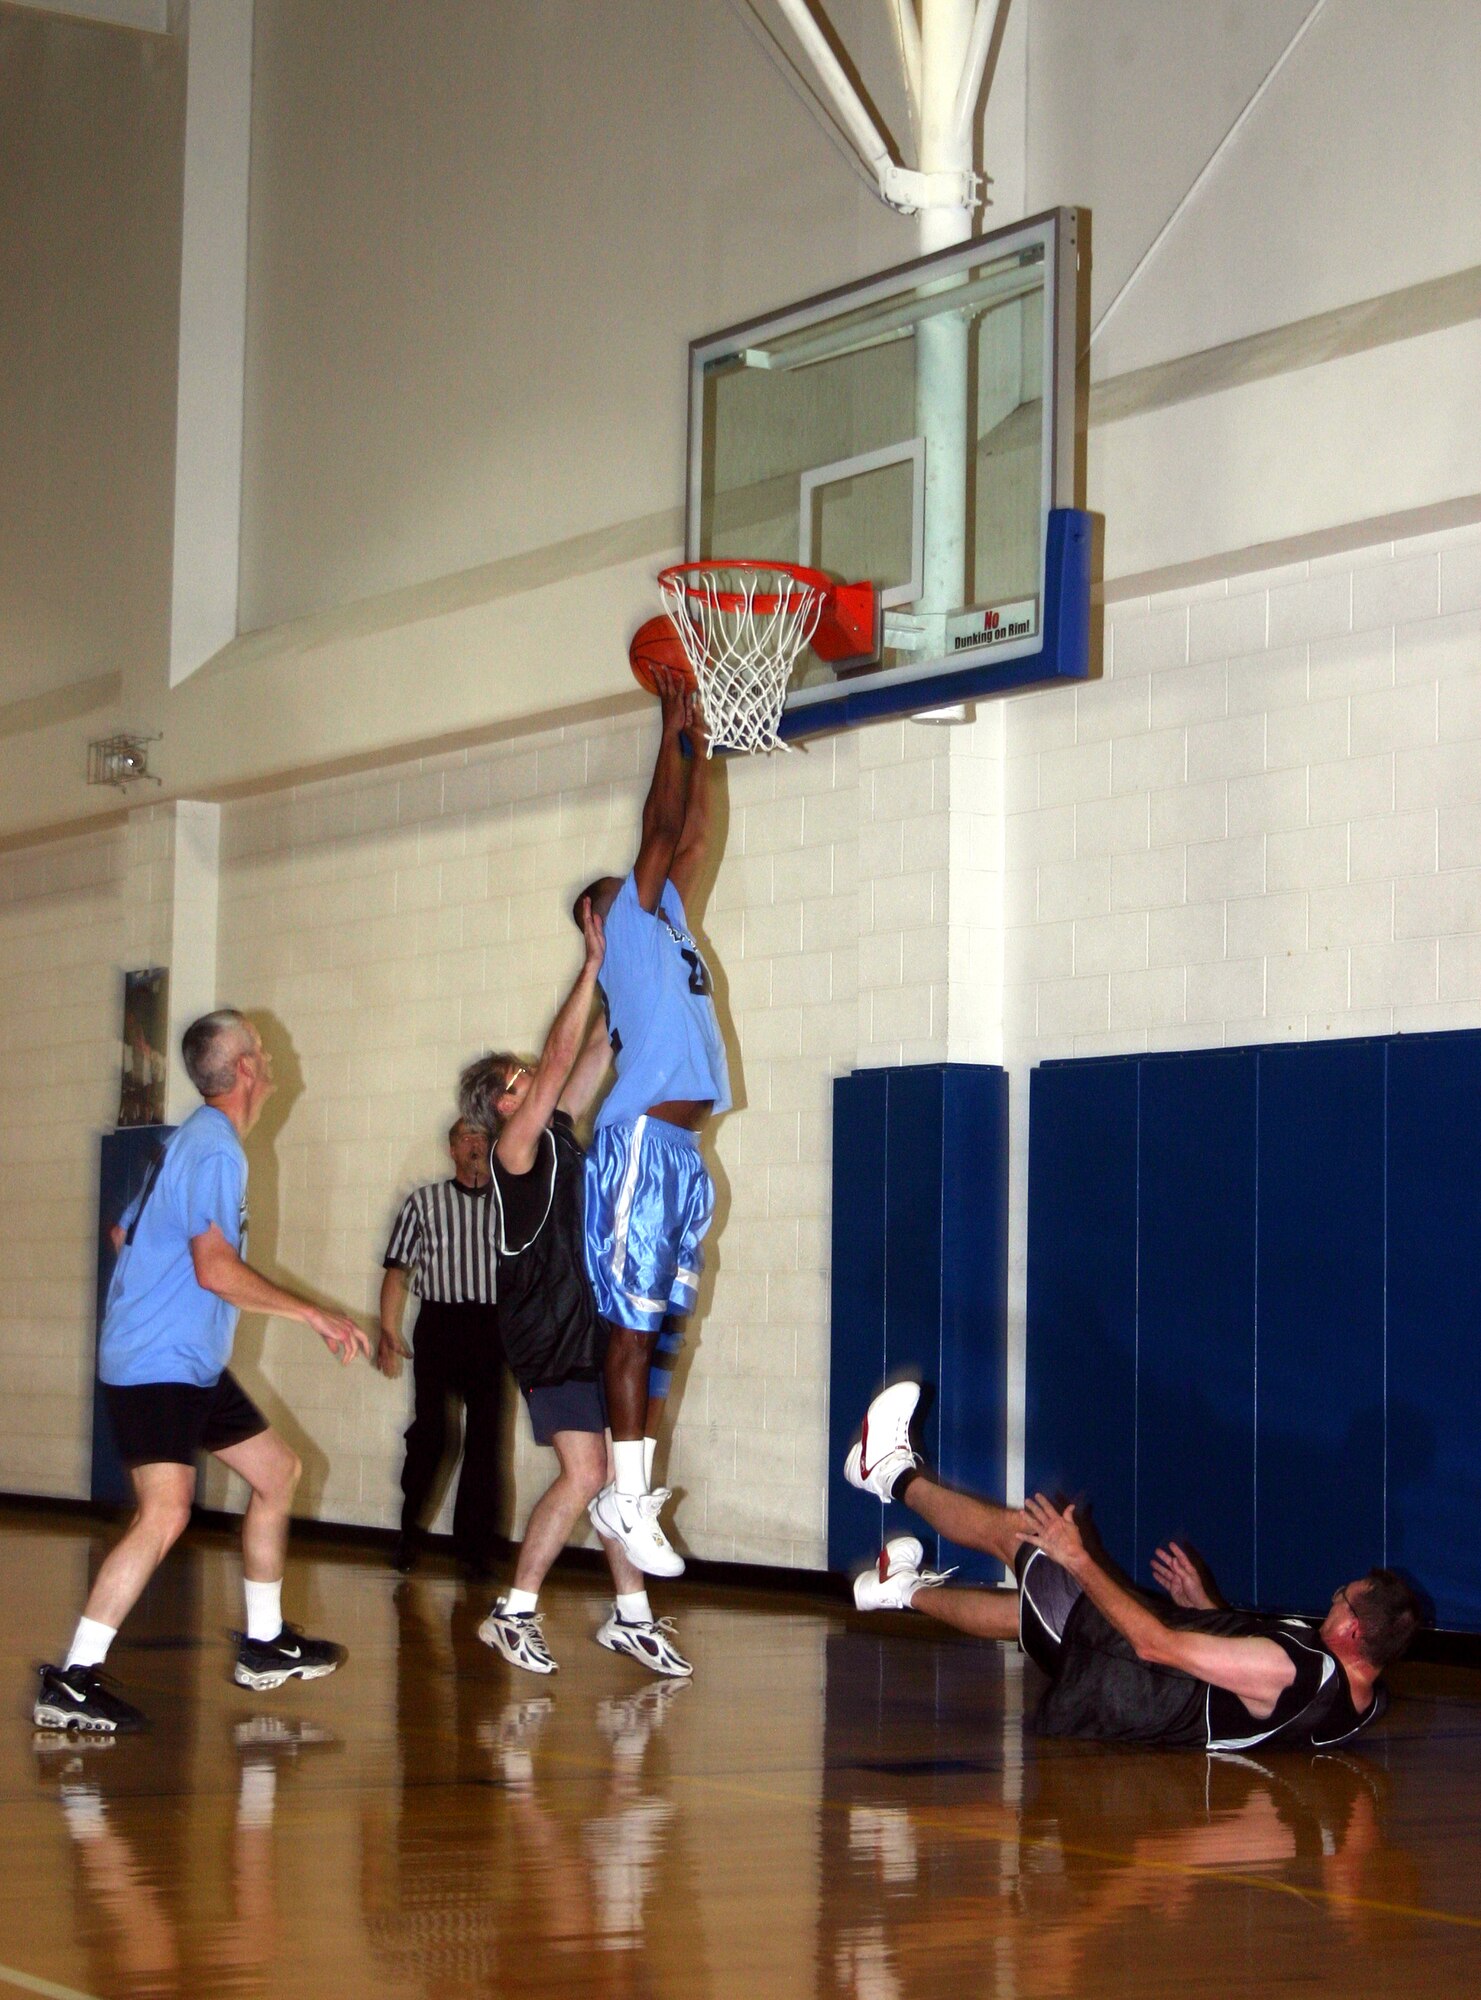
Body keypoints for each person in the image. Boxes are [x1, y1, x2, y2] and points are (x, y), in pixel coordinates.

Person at [35, 1009, 370, 1735]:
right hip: (161, 1363)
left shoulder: (185, 1141)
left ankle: (263, 1643)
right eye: (262, 1046)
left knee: (277, 1472)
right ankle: (74, 1679)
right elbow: (214, 1269)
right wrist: (312, 1314)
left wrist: (151, 1286)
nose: (273, 1057)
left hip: (180, 1359)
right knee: (166, 1511)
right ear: (245, 1067)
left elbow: (125, 1229)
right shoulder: (214, 1149)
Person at [845, 1381, 1422, 1751]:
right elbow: (1243, 1687)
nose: (1334, 1596)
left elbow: (1157, 1646)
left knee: (1025, 1538)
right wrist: (1211, 1609)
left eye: (1343, 1599)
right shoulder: (1362, 1700)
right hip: (1123, 1687)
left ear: (1350, 1630)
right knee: (1026, 1618)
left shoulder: (1295, 1668)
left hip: (1122, 1668)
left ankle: (888, 1471)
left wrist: (1079, 1558)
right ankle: (899, 1591)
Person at [457, 898, 692, 1678]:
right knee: (588, 1473)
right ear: (501, 1105)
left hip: (589, 1320)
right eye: (520, 1080)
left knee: (621, 1478)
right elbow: (561, 1061)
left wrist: (631, 964)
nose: (537, 1077)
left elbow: (595, 1048)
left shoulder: (556, 1126)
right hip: (547, 1332)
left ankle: (630, 1617)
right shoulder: (513, 1152)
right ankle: (512, 1612)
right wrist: (588, 967)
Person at [572, 674, 729, 1578]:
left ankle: (631, 1490)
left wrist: (699, 747)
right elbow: (663, 831)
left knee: (664, 1325)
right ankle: (625, 1501)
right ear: (597, 919)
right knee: (629, 1329)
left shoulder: (664, 920)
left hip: (681, 1154)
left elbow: (691, 835)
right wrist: (667, 728)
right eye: (624, 879)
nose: (646, 875)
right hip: (637, 1147)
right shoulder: (624, 926)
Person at [377, 1117, 503, 1576]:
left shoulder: (510, 1206)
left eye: (481, 1135)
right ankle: (410, 1532)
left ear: (493, 1145)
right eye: (465, 1136)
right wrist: (389, 1329)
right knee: (433, 1434)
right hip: (440, 1324)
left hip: (492, 1328)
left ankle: (474, 1552)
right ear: (451, 1148)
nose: (474, 1143)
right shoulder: (424, 1202)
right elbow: (397, 1270)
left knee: (485, 1441)